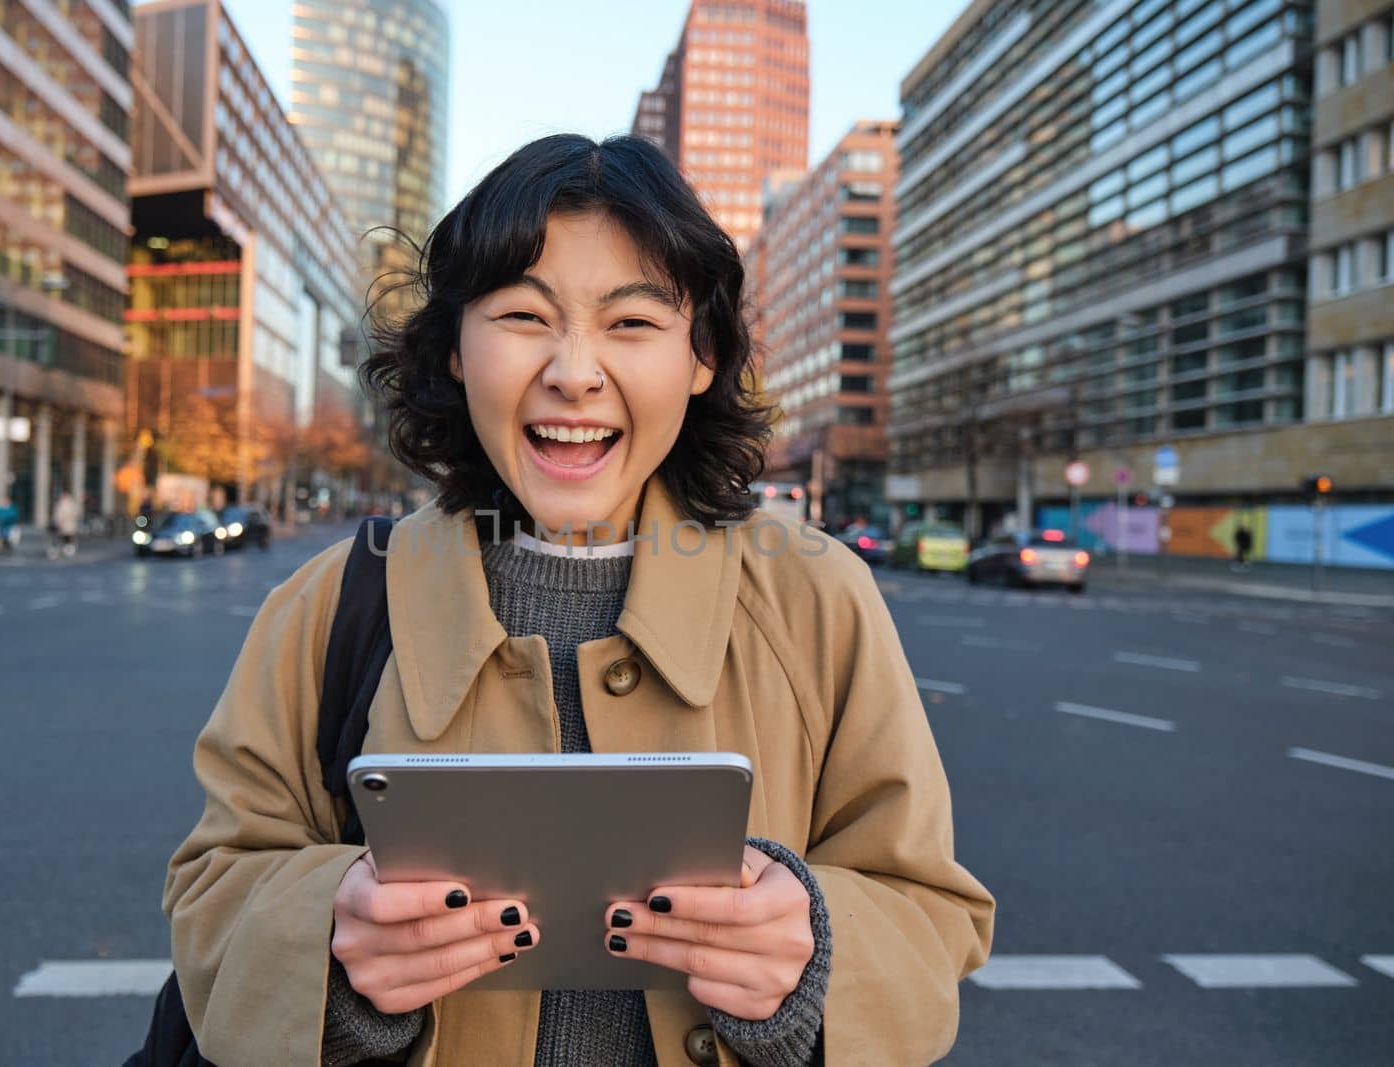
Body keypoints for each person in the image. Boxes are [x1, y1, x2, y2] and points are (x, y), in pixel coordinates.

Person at [162, 134, 994, 1067]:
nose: (573, 371)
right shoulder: (329, 605)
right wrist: (326, 934)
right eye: (522, 314)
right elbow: (213, 884)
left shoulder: (818, 597)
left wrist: (810, 953)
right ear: (455, 351)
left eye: (632, 323)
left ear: (703, 356)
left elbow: (933, 912)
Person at [50, 491, 80, 559]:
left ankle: (68, 549)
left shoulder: (70, 504)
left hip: (68, 523)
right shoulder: (61, 503)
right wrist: (58, 521)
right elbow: (58, 514)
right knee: (64, 537)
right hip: (64, 523)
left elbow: (75, 513)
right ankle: (66, 549)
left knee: (68, 537)